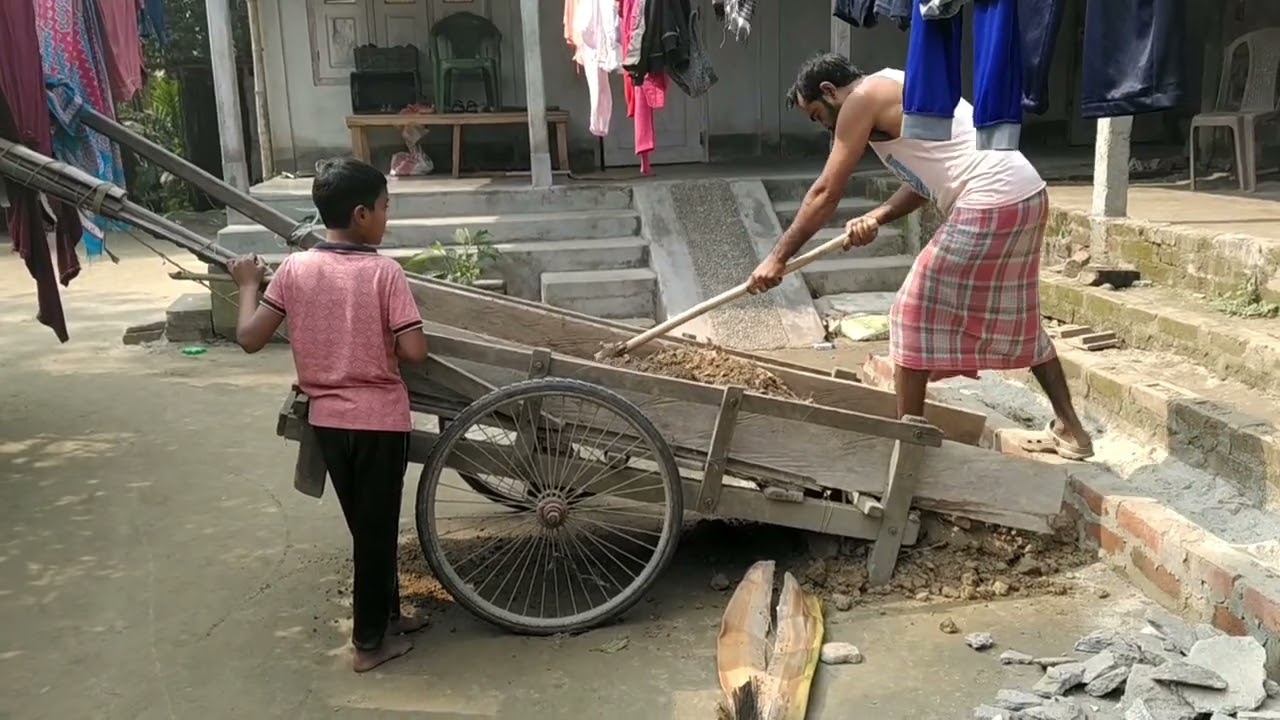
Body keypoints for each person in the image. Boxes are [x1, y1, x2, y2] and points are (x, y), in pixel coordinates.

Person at [747, 53, 1092, 460]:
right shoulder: (897, 83)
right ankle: (1071, 428)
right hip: (1027, 193)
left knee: (909, 312)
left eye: (817, 114)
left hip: (990, 200)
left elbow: (825, 192)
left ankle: (906, 446)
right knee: (1021, 318)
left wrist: (777, 258)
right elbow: (925, 181)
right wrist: (877, 214)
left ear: (828, 91)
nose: (823, 125)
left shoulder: (861, 99)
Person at [227, 157, 430, 672]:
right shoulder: (385, 272)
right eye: (385, 207)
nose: (387, 216)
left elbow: (250, 338)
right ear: (362, 214)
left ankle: (387, 616)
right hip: (380, 421)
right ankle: (369, 646)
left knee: (368, 526)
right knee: (378, 528)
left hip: (328, 423)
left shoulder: (295, 270)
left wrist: (248, 283)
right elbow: (415, 353)